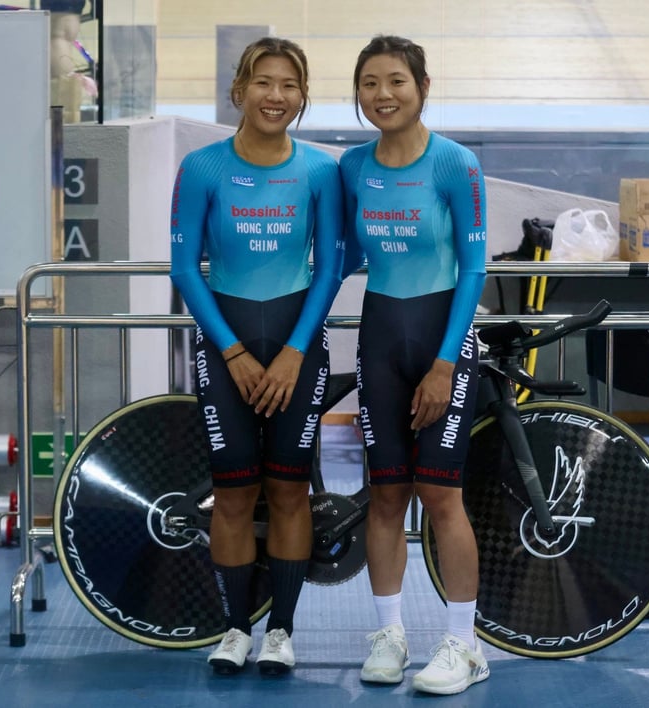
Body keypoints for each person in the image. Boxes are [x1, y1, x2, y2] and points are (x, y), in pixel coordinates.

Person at [169, 36, 344, 677]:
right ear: (239, 91)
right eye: (263, 83)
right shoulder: (203, 168)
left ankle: (281, 631)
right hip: (227, 348)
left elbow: (329, 270)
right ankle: (236, 628)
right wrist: (234, 352)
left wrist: (295, 352)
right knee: (233, 494)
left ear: (303, 95)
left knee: (290, 490)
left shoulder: (320, 171)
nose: (276, 96)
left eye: (290, 85)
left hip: (297, 347)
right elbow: (184, 269)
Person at [339, 35, 490, 696]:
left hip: (441, 340)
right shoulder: (351, 166)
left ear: (423, 87)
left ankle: (464, 644)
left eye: (396, 81)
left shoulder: (455, 163)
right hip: (380, 337)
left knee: (440, 496)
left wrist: (444, 364)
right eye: (369, 83)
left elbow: (475, 267)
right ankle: (390, 636)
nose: (383, 94)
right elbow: (344, 256)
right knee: (385, 495)